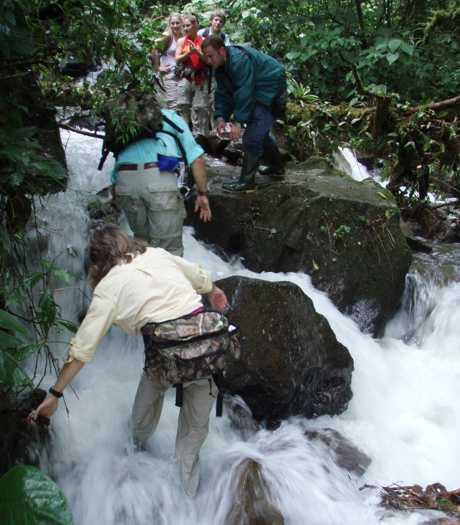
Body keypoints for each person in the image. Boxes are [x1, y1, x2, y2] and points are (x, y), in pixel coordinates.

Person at [29, 224, 229, 497]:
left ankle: (136, 456)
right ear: (127, 243)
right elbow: (198, 276)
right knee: (193, 433)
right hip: (207, 348)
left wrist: (55, 393)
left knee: (140, 420)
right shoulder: (158, 254)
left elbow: (82, 350)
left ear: (97, 261)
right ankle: (187, 496)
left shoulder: (108, 287)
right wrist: (214, 290)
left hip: (164, 357)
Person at [112, 107, 211, 257]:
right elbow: (196, 158)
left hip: (125, 181)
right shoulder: (169, 117)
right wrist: (202, 194)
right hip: (158, 178)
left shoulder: (124, 119)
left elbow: (116, 161)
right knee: (169, 252)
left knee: (141, 245)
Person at [203, 36, 287, 191]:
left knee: (252, 136)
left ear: (221, 51)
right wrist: (221, 117)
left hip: (271, 88)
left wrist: (238, 122)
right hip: (257, 89)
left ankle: (247, 181)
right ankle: (276, 167)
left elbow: (244, 91)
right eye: (206, 57)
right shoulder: (220, 67)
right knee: (259, 133)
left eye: (210, 56)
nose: (208, 61)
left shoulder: (238, 60)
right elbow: (223, 94)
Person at [175, 14, 211, 138]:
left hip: (200, 77)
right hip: (185, 76)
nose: (185, 28)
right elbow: (177, 59)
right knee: (183, 105)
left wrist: (198, 52)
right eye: (184, 26)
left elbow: (208, 60)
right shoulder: (181, 41)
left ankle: (201, 137)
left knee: (200, 108)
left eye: (188, 25)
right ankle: (184, 136)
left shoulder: (204, 40)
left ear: (195, 25)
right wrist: (189, 53)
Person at [151, 13, 183, 110]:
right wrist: (158, 67)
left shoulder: (183, 36)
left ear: (181, 24)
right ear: (169, 25)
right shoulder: (168, 37)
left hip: (181, 74)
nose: (175, 26)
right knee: (173, 103)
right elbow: (154, 50)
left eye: (177, 23)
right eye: (172, 23)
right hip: (169, 73)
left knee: (182, 102)